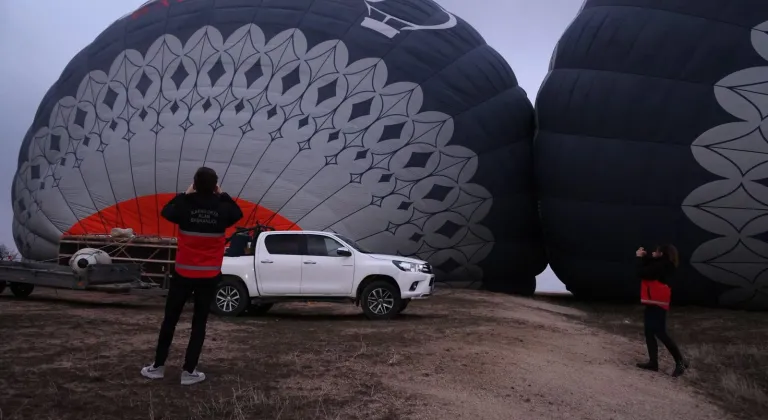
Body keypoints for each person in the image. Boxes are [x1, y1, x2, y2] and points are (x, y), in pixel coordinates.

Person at [141, 167, 243, 385]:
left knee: (170, 320)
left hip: (183, 274)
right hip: (208, 276)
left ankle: (157, 367)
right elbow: (238, 214)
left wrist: (185, 194)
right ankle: (189, 372)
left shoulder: (185, 206)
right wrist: (222, 195)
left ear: (194, 184)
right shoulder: (223, 208)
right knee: (199, 323)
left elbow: (166, 211)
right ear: (216, 185)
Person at [635, 244, 688, 377]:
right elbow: (651, 264)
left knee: (660, 333)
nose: (653, 252)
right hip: (653, 301)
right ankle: (653, 362)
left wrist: (639, 259)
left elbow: (643, 272)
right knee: (649, 332)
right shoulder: (662, 264)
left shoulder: (663, 266)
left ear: (662, 253)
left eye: (656, 251)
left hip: (657, 303)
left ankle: (680, 362)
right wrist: (644, 256)